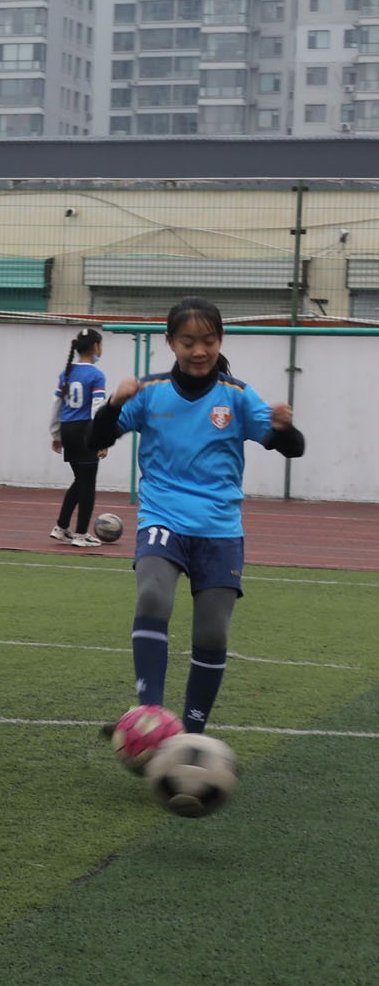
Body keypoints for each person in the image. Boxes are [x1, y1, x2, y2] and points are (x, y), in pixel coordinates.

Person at [88, 297, 302, 734]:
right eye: (188, 341)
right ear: (171, 343)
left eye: (207, 340)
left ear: (219, 341)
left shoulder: (238, 396)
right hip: (162, 515)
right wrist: (113, 405)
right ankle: (150, 718)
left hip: (219, 527)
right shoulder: (149, 392)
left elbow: (293, 447)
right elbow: (96, 436)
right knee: (152, 596)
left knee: (213, 635)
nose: (198, 350)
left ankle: (190, 734)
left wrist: (283, 428)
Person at [51, 327, 109, 548]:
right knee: (88, 484)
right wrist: (101, 438)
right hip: (86, 430)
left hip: (68, 429)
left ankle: (62, 527)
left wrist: (56, 434)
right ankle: (82, 533)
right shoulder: (96, 374)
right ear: (95, 347)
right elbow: (97, 407)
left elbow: (56, 405)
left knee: (80, 480)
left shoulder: (66, 372)